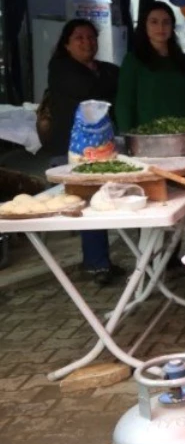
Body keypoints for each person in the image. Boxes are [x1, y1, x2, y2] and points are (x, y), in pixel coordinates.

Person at [44, 19, 122, 283]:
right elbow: (93, 93)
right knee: (87, 204)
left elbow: (113, 84)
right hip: (70, 152)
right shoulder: (60, 68)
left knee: (99, 201)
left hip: (100, 151)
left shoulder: (103, 70)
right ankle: (96, 264)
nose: (87, 42)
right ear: (67, 43)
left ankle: (99, 261)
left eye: (91, 37)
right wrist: (110, 83)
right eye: (79, 38)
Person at [115, 1, 185, 132]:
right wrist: (127, 136)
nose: (161, 27)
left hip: (183, 135)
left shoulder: (182, 60)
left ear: (172, 27)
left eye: (166, 22)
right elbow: (124, 104)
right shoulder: (133, 60)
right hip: (147, 137)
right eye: (154, 22)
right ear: (145, 26)